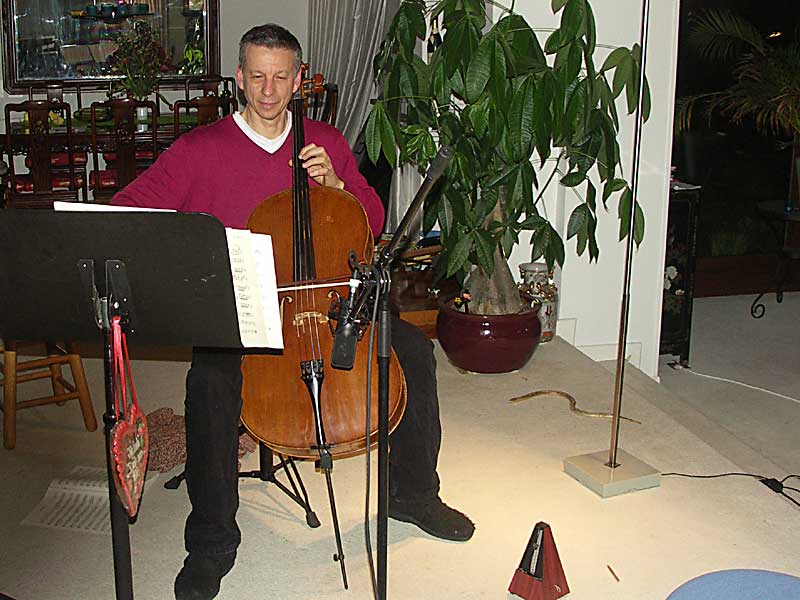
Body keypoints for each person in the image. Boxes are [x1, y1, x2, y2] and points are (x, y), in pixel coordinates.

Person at [113, 23, 474, 600]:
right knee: (209, 384)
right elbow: (129, 211)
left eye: (281, 77)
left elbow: (372, 218)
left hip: (325, 300)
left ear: (299, 79)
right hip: (240, 307)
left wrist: (338, 186)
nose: (268, 90)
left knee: (412, 352)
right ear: (239, 77)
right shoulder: (199, 149)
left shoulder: (323, 143)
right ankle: (211, 541)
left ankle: (413, 494)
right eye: (256, 76)